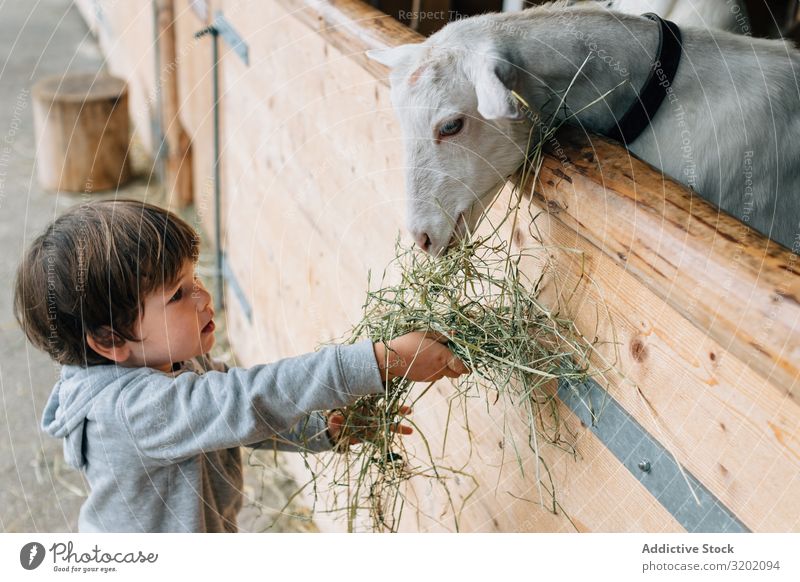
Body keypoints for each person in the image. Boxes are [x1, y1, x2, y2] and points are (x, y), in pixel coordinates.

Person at [12, 199, 467, 532]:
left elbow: (233, 416)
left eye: (195, 279)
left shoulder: (171, 361)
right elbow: (247, 398)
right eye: (178, 295)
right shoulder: (132, 411)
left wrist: (320, 428)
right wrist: (383, 360)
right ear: (110, 339)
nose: (204, 297)